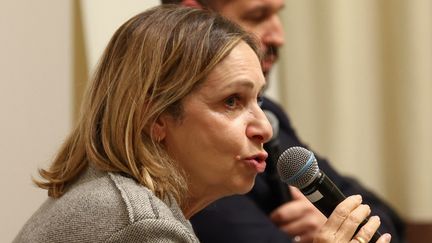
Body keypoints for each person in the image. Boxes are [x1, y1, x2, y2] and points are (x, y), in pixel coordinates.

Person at [13, 5, 391, 243]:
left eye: (258, 100)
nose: (264, 127)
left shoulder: (115, 195)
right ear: (155, 117)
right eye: (232, 101)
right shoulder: (139, 224)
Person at [161, 1, 406, 243]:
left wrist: (339, 225)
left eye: (257, 98)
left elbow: (387, 220)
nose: (279, 37)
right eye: (232, 102)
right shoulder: (188, 167)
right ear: (196, 18)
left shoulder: (270, 116)